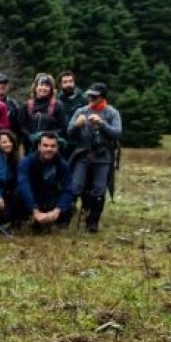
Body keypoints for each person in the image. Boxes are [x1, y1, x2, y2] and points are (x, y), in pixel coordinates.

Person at [67, 83, 122, 232]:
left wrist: (102, 124)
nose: (91, 98)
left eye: (95, 96)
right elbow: (69, 132)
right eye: (89, 95)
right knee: (75, 186)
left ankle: (93, 222)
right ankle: (65, 217)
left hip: (103, 156)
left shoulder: (112, 113)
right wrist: (77, 125)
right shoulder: (81, 111)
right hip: (82, 154)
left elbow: (117, 133)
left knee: (99, 189)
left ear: (102, 97)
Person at [17, 132, 74, 232]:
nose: (49, 149)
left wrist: (57, 210)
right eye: (45, 145)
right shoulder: (26, 162)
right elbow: (23, 185)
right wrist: (34, 210)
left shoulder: (63, 165)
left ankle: (55, 222)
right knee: (17, 193)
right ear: (39, 147)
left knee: (70, 204)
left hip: (50, 197)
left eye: (53, 146)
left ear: (57, 148)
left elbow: (68, 189)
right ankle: (23, 220)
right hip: (33, 198)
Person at [18, 73, 69, 154]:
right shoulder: (26, 105)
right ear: (36, 87)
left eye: (47, 86)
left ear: (51, 89)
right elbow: (20, 126)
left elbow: (63, 128)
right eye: (41, 85)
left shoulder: (58, 106)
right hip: (31, 148)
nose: (43, 88)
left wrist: (46, 136)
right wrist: (30, 136)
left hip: (51, 150)